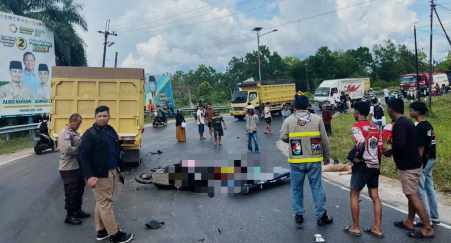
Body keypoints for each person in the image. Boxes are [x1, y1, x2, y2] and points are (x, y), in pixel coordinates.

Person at [79, 106, 135, 243]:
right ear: (95, 117)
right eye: (100, 116)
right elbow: (82, 157)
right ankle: (115, 235)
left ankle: (101, 230)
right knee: (105, 204)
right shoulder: (89, 134)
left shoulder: (110, 130)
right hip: (100, 175)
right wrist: (89, 176)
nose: (103, 118)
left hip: (112, 171)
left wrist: (120, 165)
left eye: (105, 116)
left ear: (109, 116)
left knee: (101, 202)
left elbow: (116, 147)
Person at [280, 94, 333, 227]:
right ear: (307, 105)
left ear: (294, 106)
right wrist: (327, 158)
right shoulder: (317, 119)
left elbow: (283, 136)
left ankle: (299, 214)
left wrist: (293, 141)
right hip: (314, 160)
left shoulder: (288, 120)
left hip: (296, 160)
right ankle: (321, 216)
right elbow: (325, 140)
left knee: (296, 188)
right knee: (317, 187)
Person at [385, 98, 434, 239]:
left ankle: (427, 227)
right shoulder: (407, 122)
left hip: (409, 166)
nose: (387, 110)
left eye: (388, 107)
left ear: (391, 109)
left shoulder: (400, 124)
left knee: (412, 195)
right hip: (414, 163)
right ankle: (409, 221)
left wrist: (389, 151)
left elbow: (399, 145)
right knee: (411, 194)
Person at [344, 101, 384, 238]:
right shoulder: (375, 127)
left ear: (357, 112)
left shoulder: (356, 127)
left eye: (354, 111)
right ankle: (377, 228)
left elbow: (360, 144)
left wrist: (354, 157)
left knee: (354, 194)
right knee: (375, 196)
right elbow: (380, 148)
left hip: (362, 165)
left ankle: (355, 227)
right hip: (375, 165)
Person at [409, 101, 440, 225]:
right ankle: (434, 216)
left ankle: (426, 219)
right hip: (432, 158)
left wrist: (418, 164)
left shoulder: (419, 127)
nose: (410, 112)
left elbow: (420, 148)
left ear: (417, 112)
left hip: (424, 160)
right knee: (429, 187)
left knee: (420, 189)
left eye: (411, 110)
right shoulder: (428, 125)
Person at [58, 113, 90, 225]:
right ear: (72, 121)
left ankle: (77, 210)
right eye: (78, 123)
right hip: (68, 168)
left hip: (77, 166)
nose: (79, 125)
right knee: (71, 192)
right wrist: (81, 150)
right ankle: (70, 215)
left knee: (79, 190)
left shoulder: (74, 132)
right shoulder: (65, 133)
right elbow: (67, 149)